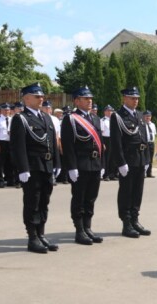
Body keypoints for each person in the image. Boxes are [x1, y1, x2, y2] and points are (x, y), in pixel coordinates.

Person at [10, 83, 61, 253]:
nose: (41, 99)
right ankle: (32, 237)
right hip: (32, 166)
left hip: (46, 165)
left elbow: (53, 143)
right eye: (37, 96)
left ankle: (41, 234)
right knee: (33, 201)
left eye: (42, 96)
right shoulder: (20, 118)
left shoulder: (46, 117)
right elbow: (18, 146)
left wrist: (57, 163)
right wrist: (23, 168)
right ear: (26, 98)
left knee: (44, 201)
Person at [61, 86, 104, 245]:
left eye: (90, 98)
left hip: (95, 164)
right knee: (79, 198)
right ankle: (79, 230)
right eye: (86, 99)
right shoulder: (71, 119)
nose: (90, 101)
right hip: (80, 165)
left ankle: (88, 227)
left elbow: (100, 145)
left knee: (91, 198)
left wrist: (102, 164)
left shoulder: (95, 119)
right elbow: (68, 145)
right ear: (77, 101)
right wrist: (71, 167)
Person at [110, 87, 151, 238]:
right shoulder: (118, 116)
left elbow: (144, 138)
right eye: (132, 98)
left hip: (140, 159)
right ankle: (126, 222)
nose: (136, 101)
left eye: (137, 98)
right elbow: (116, 142)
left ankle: (135, 219)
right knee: (126, 192)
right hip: (128, 160)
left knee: (137, 191)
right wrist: (121, 162)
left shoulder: (140, 115)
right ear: (125, 99)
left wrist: (147, 159)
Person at [0, 103, 14, 188]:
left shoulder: (12, 119)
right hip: (1, 142)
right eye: (4, 110)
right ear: (1, 110)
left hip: (11, 143)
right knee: (0, 163)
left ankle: (10, 180)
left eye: (8, 110)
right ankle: (0, 181)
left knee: (10, 162)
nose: (6, 111)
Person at [100, 105, 115, 181]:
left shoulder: (113, 120)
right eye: (108, 111)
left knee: (113, 157)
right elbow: (101, 133)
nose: (110, 112)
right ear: (105, 112)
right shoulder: (102, 120)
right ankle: (106, 175)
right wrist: (102, 143)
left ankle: (112, 174)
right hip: (106, 140)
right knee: (107, 158)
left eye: (111, 111)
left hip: (113, 139)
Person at [144, 110, 157, 177]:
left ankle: (149, 172)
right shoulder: (143, 124)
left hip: (151, 143)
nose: (148, 117)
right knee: (145, 158)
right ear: (144, 117)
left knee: (151, 159)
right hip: (145, 143)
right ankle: (144, 172)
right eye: (146, 116)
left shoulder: (153, 125)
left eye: (149, 116)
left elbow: (154, 134)